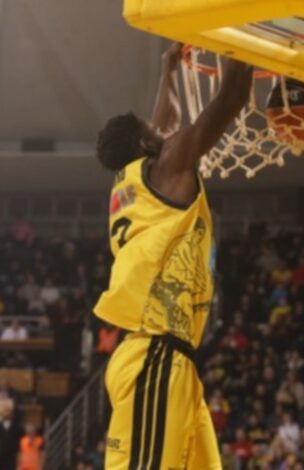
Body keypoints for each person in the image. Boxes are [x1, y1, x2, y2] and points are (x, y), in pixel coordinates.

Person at [93, 41, 253, 469]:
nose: (161, 128)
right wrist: (241, 37)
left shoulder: (134, 183)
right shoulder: (164, 167)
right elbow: (232, 97)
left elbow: (165, 122)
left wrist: (168, 70)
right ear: (145, 142)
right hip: (155, 358)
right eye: (152, 129)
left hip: (166, 358)